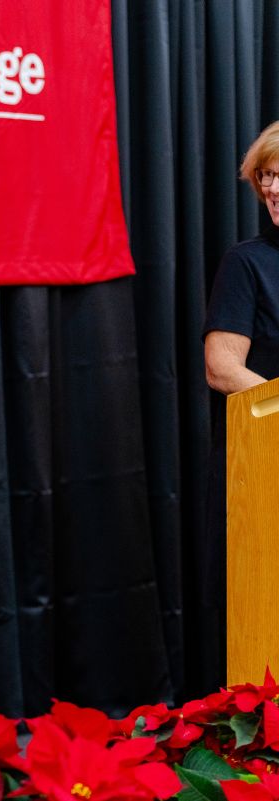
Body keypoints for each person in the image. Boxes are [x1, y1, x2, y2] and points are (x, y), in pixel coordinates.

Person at [202, 120, 279, 687]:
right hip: (266, 468)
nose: (272, 188)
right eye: (266, 177)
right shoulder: (247, 263)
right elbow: (223, 367)